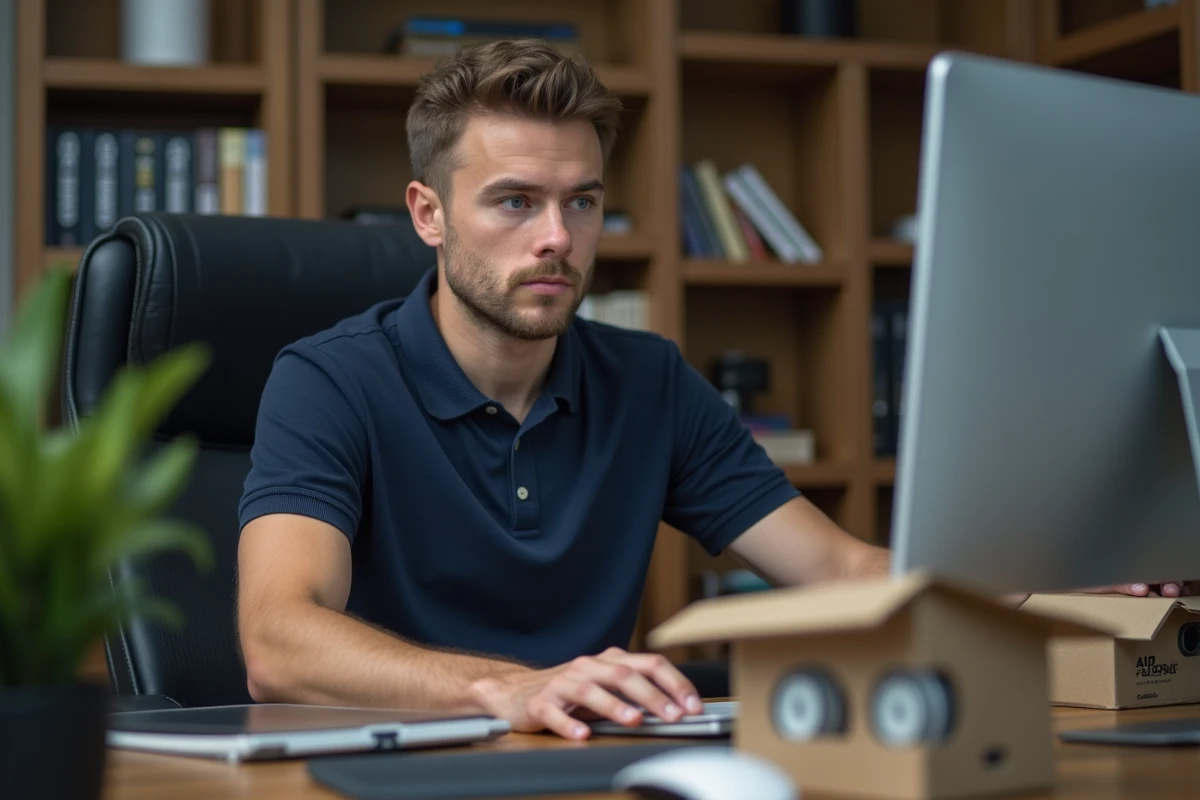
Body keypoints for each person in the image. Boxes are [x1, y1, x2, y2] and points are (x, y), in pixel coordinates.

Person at [234, 39, 1186, 742]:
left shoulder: (647, 379)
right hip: (390, 772)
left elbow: (844, 572)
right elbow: (278, 641)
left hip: (590, 765)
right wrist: (507, 688)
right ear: (429, 214)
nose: (558, 238)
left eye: (583, 201)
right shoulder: (328, 380)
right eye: (516, 201)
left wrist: (1036, 588)